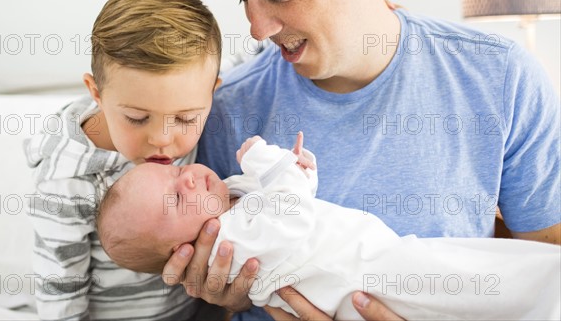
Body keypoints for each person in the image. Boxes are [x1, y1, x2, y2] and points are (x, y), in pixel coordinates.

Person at [161, 0, 561, 320]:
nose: (258, 28)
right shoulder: (227, 110)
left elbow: (547, 280)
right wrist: (226, 299)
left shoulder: (501, 78)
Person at [98, 134, 560, 320]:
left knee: (477, 272)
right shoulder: (232, 239)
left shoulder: (230, 199)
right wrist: (268, 159)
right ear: (183, 248)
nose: (187, 177)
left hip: (377, 259)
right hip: (368, 280)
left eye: (172, 171)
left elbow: (300, 192)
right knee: (482, 285)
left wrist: (296, 166)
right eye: (176, 198)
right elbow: (294, 211)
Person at [24, 0, 227, 321]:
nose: (162, 140)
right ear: (96, 93)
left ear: (212, 93)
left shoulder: (194, 89)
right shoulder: (68, 181)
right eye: (137, 118)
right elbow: (60, 290)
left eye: (186, 118)